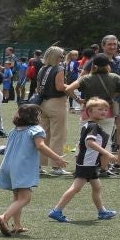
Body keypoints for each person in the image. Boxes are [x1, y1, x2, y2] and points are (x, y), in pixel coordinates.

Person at [0, 104, 66, 236]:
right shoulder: (36, 130)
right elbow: (40, 146)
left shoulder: (15, 130)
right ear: (36, 116)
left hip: (8, 165)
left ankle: (17, 225)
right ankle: (4, 218)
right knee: (25, 198)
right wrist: (57, 158)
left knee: (17, 197)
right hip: (22, 167)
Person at [49, 98, 120, 223]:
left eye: (105, 109)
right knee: (76, 188)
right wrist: (106, 153)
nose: (104, 112)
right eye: (100, 109)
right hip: (87, 164)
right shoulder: (93, 126)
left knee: (97, 187)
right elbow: (90, 142)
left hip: (89, 163)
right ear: (89, 112)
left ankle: (102, 211)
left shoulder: (90, 124)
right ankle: (57, 210)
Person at [75, 54, 120, 176]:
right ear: (108, 65)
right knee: (106, 141)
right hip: (107, 111)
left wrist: (78, 99)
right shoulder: (113, 77)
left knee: (83, 139)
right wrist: (114, 94)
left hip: (88, 111)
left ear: (93, 65)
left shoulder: (87, 78)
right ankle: (104, 168)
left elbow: (69, 89)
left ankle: (80, 165)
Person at [33, 46, 76, 175]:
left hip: (42, 103)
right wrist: (74, 86)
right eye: (61, 56)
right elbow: (60, 86)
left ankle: (39, 166)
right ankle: (57, 166)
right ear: (58, 57)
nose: (63, 58)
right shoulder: (59, 69)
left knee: (43, 135)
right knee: (58, 135)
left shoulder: (42, 68)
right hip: (56, 103)